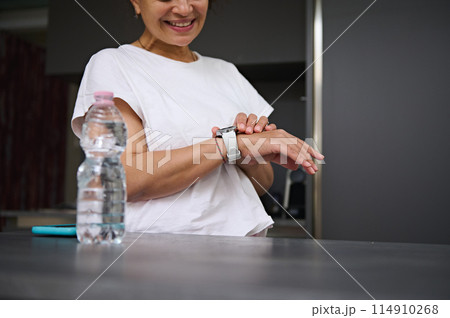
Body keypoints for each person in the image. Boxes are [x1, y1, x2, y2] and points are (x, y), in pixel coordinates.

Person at [71, 0, 324, 237]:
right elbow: (125, 178)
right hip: (157, 254)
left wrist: (246, 147)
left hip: (244, 249)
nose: (183, 8)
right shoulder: (113, 64)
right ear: (137, 2)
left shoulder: (227, 73)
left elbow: (261, 183)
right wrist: (230, 145)